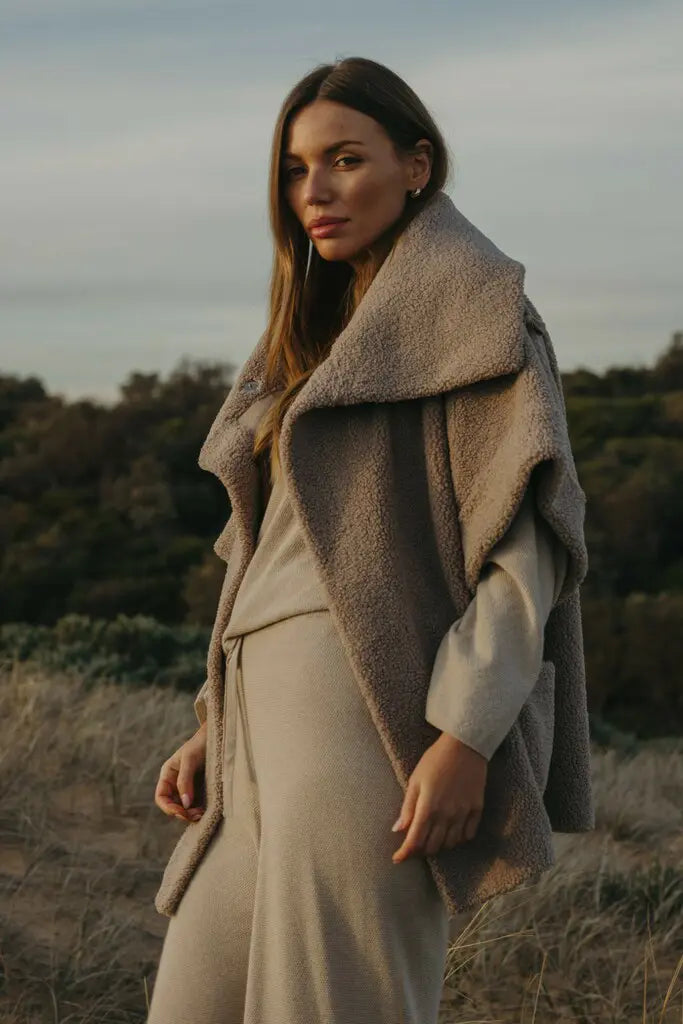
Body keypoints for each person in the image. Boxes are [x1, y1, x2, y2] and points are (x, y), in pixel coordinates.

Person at [146, 56, 591, 1024]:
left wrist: (465, 735)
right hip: (252, 724)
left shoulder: (478, 313)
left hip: (365, 716)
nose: (314, 191)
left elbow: (526, 553)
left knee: (336, 1003)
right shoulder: (304, 338)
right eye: (295, 169)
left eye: (344, 159)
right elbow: (271, 553)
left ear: (416, 165)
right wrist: (209, 721)